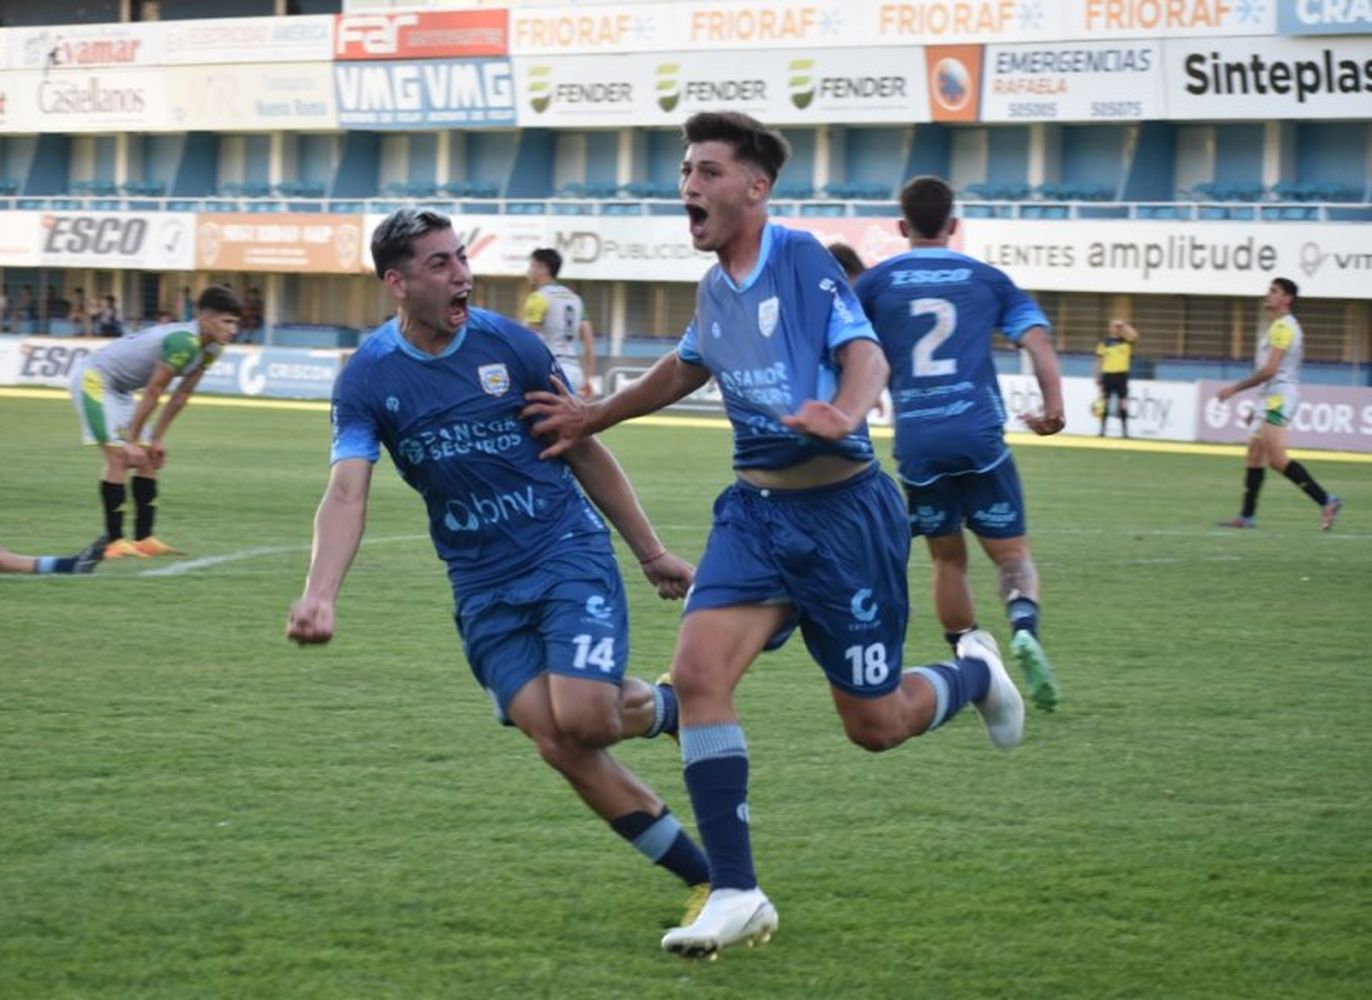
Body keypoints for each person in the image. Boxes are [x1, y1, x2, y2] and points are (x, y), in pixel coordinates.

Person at [522, 114, 1027, 959]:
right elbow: (685, 367)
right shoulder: (715, 287)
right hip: (754, 517)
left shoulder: (798, 257)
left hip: (844, 522)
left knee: (875, 725)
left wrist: (845, 411)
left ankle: (973, 674)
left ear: (755, 188)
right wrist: (593, 415)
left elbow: (867, 354)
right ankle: (736, 889)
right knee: (696, 675)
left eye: (709, 171)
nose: (690, 185)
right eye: (686, 170)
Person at [285, 207, 714, 921]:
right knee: (558, 742)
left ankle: (669, 716)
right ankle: (706, 876)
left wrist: (650, 551)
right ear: (397, 282)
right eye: (440, 265)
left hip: (564, 553)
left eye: (461, 258)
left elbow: (581, 446)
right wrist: (319, 594)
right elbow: (346, 490)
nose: (463, 275)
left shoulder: (509, 347)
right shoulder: (367, 379)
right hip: (482, 587)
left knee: (580, 717)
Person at [853, 175, 1064, 715]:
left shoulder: (876, 283)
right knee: (1011, 554)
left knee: (948, 561)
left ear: (902, 227)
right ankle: (1023, 626)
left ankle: (971, 654)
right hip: (978, 434)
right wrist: (1053, 407)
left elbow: (841, 344)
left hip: (919, 440)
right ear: (952, 225)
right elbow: (1036, 339)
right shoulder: (987, 278)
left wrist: (857, 398)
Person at [69, 285, 242, 559]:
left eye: (236, 323)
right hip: (96, 380)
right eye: (227, 322)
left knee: (147, 459)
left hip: (121, 389)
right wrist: (131, 440)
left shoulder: (212, 348)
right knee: (119, 458)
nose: (233, 330)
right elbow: (154, 391)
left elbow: (182, 395)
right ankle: (113, 542)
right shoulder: (184, 341)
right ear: (205, 319)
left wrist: (156, 439)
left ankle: (144, 539)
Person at [1216, 277, 1341, 530]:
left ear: (1287, 299)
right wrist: (1256, 407)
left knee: (1276, 459)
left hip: (1279, 398)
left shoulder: (1283, 328)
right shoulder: (1278, 327)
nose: (1268, 294)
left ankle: (1326, 500)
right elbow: (1272, 373)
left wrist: (1234, 389)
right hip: (1270, 397)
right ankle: (1247, 516)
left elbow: (1270, 370)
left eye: (1274, 291)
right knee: (1254, 454)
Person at [522, 248, 596, 399]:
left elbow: (526, 338)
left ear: (542, 268)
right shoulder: (575, 299)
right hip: (574, 371)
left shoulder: (538, 298)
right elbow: (589, 342)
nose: (528, 271)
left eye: (532, 266)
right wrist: (588, 378)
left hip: (551, 370)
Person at [1094, 319, 1138, 437]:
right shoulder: (1104, 343)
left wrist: (1124, 325)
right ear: (1110, 328)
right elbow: (1099, 361)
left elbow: (1135, 335)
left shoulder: (1126, 341)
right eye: (1114, 326)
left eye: (1118, 327)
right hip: (1108, 375)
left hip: (1122, 375)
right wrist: (1097, 376)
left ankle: (1125, 432)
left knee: (1123, 403)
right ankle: (1102, 431)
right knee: (1105, 403)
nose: (1116, 329)